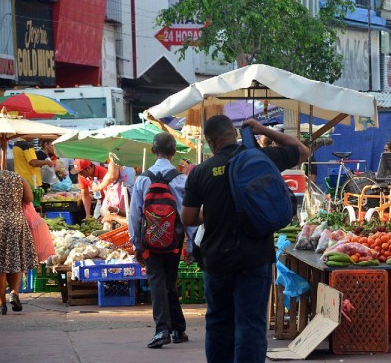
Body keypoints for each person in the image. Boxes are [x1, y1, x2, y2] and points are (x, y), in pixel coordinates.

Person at [181, 116, 308, 363]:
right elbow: (302, 150)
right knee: (251, 324)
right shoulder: (260, 158)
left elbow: (187, 218)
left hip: (217, 259)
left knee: (218, 322)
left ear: (210, 141)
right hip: (255, 257)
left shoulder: (202, 172)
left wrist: (212, 210)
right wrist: (262, 130)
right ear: (234, 134)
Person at [128, 133, 189, 349]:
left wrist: (136, 243)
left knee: (157, 282)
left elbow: (134, 214)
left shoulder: (142, 179)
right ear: (173, 152)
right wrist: (190, 245)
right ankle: (178, 328)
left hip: (150, 241)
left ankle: (162, 329)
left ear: (154, 151)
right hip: (174, 241)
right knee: (170, 281)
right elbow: (187, 216)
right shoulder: (181, 179)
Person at [0, 170, 39, 315]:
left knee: (0, 265)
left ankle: (1, 303)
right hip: (16, 221)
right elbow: (29, 198)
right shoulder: (17, 177)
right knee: (16, 259)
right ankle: (14, 292)